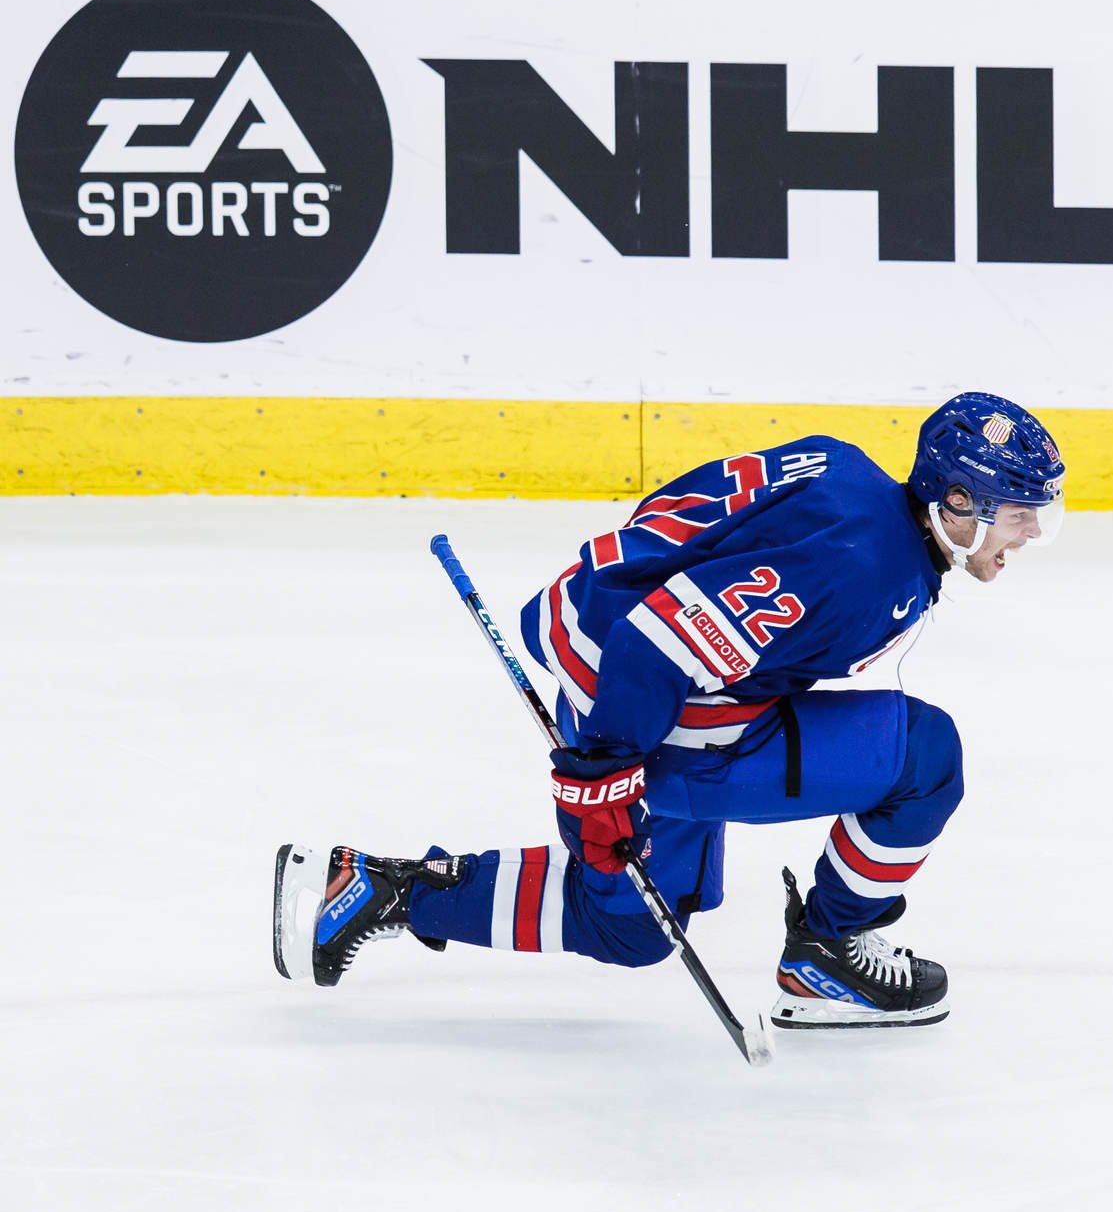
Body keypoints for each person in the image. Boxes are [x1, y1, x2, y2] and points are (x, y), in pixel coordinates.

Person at [273, 392, 1065, 1028]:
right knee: (926, 761)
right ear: (955, 499)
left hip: (615, 658)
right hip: (648, 702)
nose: (1028, 534)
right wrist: (602, 777)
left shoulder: (846, 469)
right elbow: (656, 645)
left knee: (631, 927)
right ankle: (827, 952)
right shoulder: (864, 570)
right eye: (1016, 512)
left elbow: (675, 528)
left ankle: (384, 890)